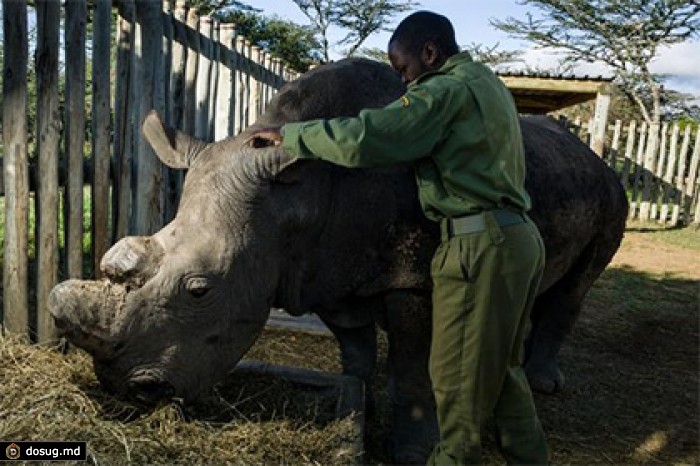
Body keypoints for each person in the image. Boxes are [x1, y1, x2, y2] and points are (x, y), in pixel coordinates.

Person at [250, 10, 549, 465]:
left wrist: (292, 136)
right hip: (517, 239)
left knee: (454, 387)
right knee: (504, 373)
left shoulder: (444, 90)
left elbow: (374, 136)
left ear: (430, 52)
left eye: (404, 69)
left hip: (477, 247)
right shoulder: (487, 83)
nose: (404, 82)